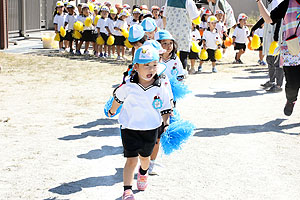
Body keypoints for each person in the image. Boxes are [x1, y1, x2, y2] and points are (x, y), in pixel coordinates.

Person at [108, 45, 171, 200]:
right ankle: (127, 190)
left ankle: (143, 172)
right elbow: (118, 99)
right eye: (146, 65)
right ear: (136, 67)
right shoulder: (128, 85)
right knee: (131, 159)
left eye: (154, 65)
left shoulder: (161, 85)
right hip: (129, 127)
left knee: (145, 158)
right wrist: (111, 111)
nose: (151, 69)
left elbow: (165, 106)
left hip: (151, 128)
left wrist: (166, 122)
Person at [257, 0, 300, 115]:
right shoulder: (288, 3)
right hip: (291, 52)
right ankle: (291, 100)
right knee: (292, 84)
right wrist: (258, 1)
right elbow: (269, 19)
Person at [251, 0, 283, 92]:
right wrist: (255, 27)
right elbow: (266, 17)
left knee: (277, 61)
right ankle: (272, 81)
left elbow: (279, 17)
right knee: (269, 59)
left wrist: (276, 35)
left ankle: (278, 85)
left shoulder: (277, 1)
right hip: (269, 35)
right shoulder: (270, 3)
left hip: (275, 36)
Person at [163, 0, 200, 70]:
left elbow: (164, 16)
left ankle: (170, 72)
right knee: (183, 55)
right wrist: (199, 12)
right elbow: (195, 17)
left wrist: (165, 29)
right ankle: (181, 74)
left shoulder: (168, 1)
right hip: (183, 33)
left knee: (170, 54)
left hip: (170, 33)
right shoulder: (188, 1)